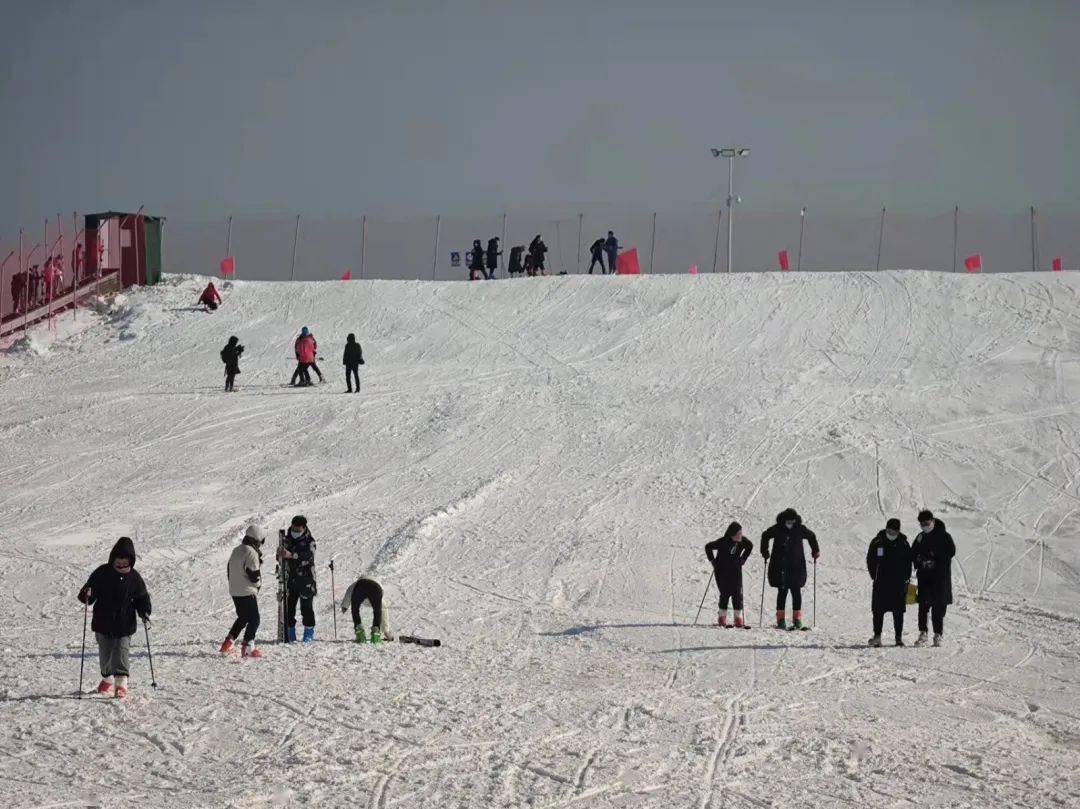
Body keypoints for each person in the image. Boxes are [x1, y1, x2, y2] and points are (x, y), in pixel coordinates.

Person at [76, 537, 151, 698]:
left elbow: (142, 597)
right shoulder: (102, 573)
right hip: (103, 623)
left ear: (131, 562)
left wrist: (144, 612)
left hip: (125, 624)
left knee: (121, 651)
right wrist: (87, 594)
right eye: (119, 563)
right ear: (113, 559)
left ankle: (121, 683)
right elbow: (88, 593)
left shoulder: (134, 578)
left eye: (126, 564)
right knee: (105, 656)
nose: (122, 566)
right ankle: (107, 678)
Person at [760, 508, 819, 629]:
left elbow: (812, 536)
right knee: (782, 592)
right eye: (788, 521)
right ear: (784, 520)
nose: (790, 524)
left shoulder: (799, 529)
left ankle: (797, 619)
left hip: (796, 566)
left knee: (796, 592)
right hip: (781, 566)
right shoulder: (778, 528)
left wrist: (815, 550)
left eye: (792, 521)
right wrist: (764, 551)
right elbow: (765, 535)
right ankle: (780, 619)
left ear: (795, 520)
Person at [911, 509, 955, 647]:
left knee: (938, 607)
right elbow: (913, 553)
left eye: (927, 523)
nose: (925, 525)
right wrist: (920, 561)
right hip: (925, 577)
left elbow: (951, 552)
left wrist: (934, 559)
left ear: (933, 521)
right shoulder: (920, 537)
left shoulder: (944, 536)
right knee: (923, 606)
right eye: (922, 524)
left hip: (940, 578)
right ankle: (923, 633)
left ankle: (938, 634)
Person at [220, 525, 265, 658]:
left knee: (243, 617)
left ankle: (227, 643)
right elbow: (254, 575)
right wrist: (258, 585)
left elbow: (229, 570)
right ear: (256, 540)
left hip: (235, 590)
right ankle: (247, 647)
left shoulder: (236, 550)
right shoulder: (251, 552)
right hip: (246, 591)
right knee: (255, 619)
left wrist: (234, 585)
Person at [866, 518, 912, 647]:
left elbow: (908, 562)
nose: (891, 533)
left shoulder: (904, 543)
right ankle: (877, 636)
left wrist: (907, 578)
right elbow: (870, 559)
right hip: (881, 581)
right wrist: (873, 574)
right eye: (889, 530)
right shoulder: (877, 541)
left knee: (898, 611)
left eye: (894, 531)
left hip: (898, 582)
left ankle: (898, 638)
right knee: (878, 610)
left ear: (898, 531)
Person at [705, 521, 754, 628]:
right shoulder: (723, 541)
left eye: (741, 533)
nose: (740, 535)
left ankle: (738, 618)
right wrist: (713, 561)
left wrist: (743, 559)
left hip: (735, 570)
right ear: (732, 534)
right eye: (738, 534)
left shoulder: (742, 541)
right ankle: (722, 618)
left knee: (737, 593)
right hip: (721, 571)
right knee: (725, 593)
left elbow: (750, 546)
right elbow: (708, 547)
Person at [279, 516, 317, 642]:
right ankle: (290, 631)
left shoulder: (309, 540)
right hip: (290, 579)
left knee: (306, 608)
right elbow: (280, 557)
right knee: (289, 607)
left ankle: (309, 631)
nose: (295, 530)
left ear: (304, 527)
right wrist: (280, 554)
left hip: (306, 580)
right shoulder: (287, 539)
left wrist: (292, 555)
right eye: (294, 527)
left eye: (298, 528)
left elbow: (308, 555)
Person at [340, 575, 392, 644]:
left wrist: (345, 606)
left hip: (360, 587)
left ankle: (360, 633)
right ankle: (375, 634)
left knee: (355, 609)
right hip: (376, 589)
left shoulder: (355, 584)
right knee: (377, 611)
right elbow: (384, 610)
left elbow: (349, 591)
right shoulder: (378, 585)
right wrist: (386, 631)